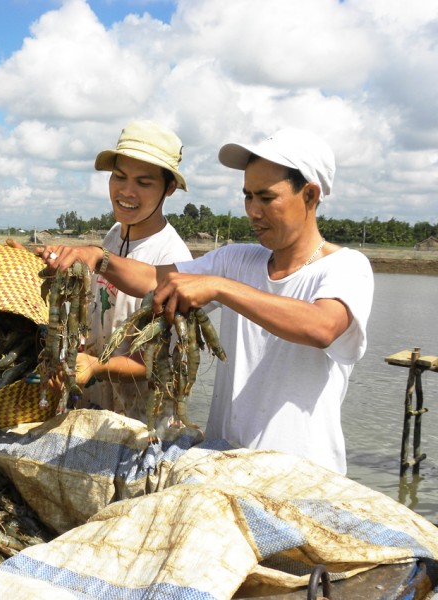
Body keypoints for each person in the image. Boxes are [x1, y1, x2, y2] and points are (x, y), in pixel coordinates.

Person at [40, 128, 374, 474]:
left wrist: (220, 287)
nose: (253, 211)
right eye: (247, 196)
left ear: (310, 195)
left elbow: (323, 326)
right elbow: (156, 278)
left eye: (266, 197)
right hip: (223, 462)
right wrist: (99, 258)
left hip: (302, 474)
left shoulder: (345, 266)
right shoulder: (237, 260)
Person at [73, 120, 192, 419]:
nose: (126, 191)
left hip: (140, 421)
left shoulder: (172, 258)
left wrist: (96, 366)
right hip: (98, 405)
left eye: (144, 182)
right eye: (119, 176)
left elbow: (150, 361)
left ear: (170, 188)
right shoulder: (115, 234)